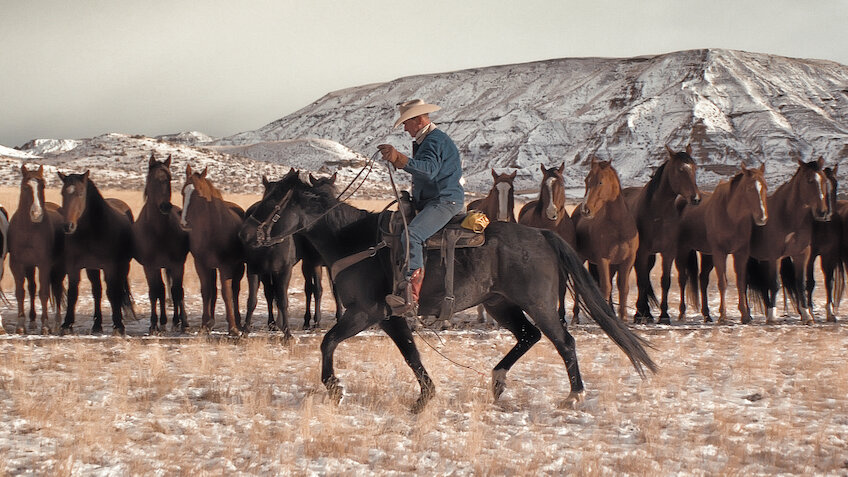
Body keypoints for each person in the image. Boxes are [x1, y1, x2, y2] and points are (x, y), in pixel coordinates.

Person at [377, 99, 465, 315]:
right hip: (433, 200)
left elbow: (429, 170)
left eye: (406, 123)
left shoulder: (434, 140)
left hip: (444, 200)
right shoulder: (428, 139)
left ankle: (410, 295)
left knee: (413, 235)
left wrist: (399, 158)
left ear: (417, 120)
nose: (405, 129)